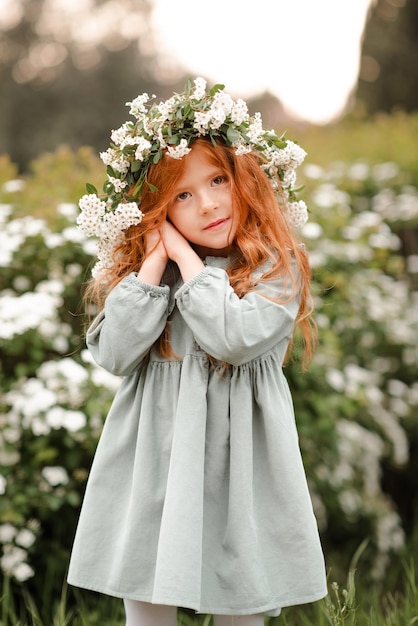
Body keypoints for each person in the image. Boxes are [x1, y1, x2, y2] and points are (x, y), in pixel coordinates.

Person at [67, 77, 327, 625]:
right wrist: (154, 262)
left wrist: (188, 263)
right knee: (148, 589)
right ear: (156, 209)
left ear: (243, 180)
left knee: (239, 597)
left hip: (239, 468)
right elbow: (114, 353)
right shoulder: (147, 278)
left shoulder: (275, 267)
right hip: (155, 461)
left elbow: (231, 337)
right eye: (182, 195)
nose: (207, 204)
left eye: (216, 180)